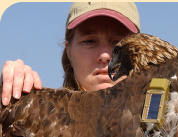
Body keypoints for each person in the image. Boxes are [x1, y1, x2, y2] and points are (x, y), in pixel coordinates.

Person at [1, 2, 141, 106]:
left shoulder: (161, 128)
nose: (105, 55)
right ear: (69, 52)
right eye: (90, 41)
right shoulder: (41, 124)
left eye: (118, 42)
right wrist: (12, 98)